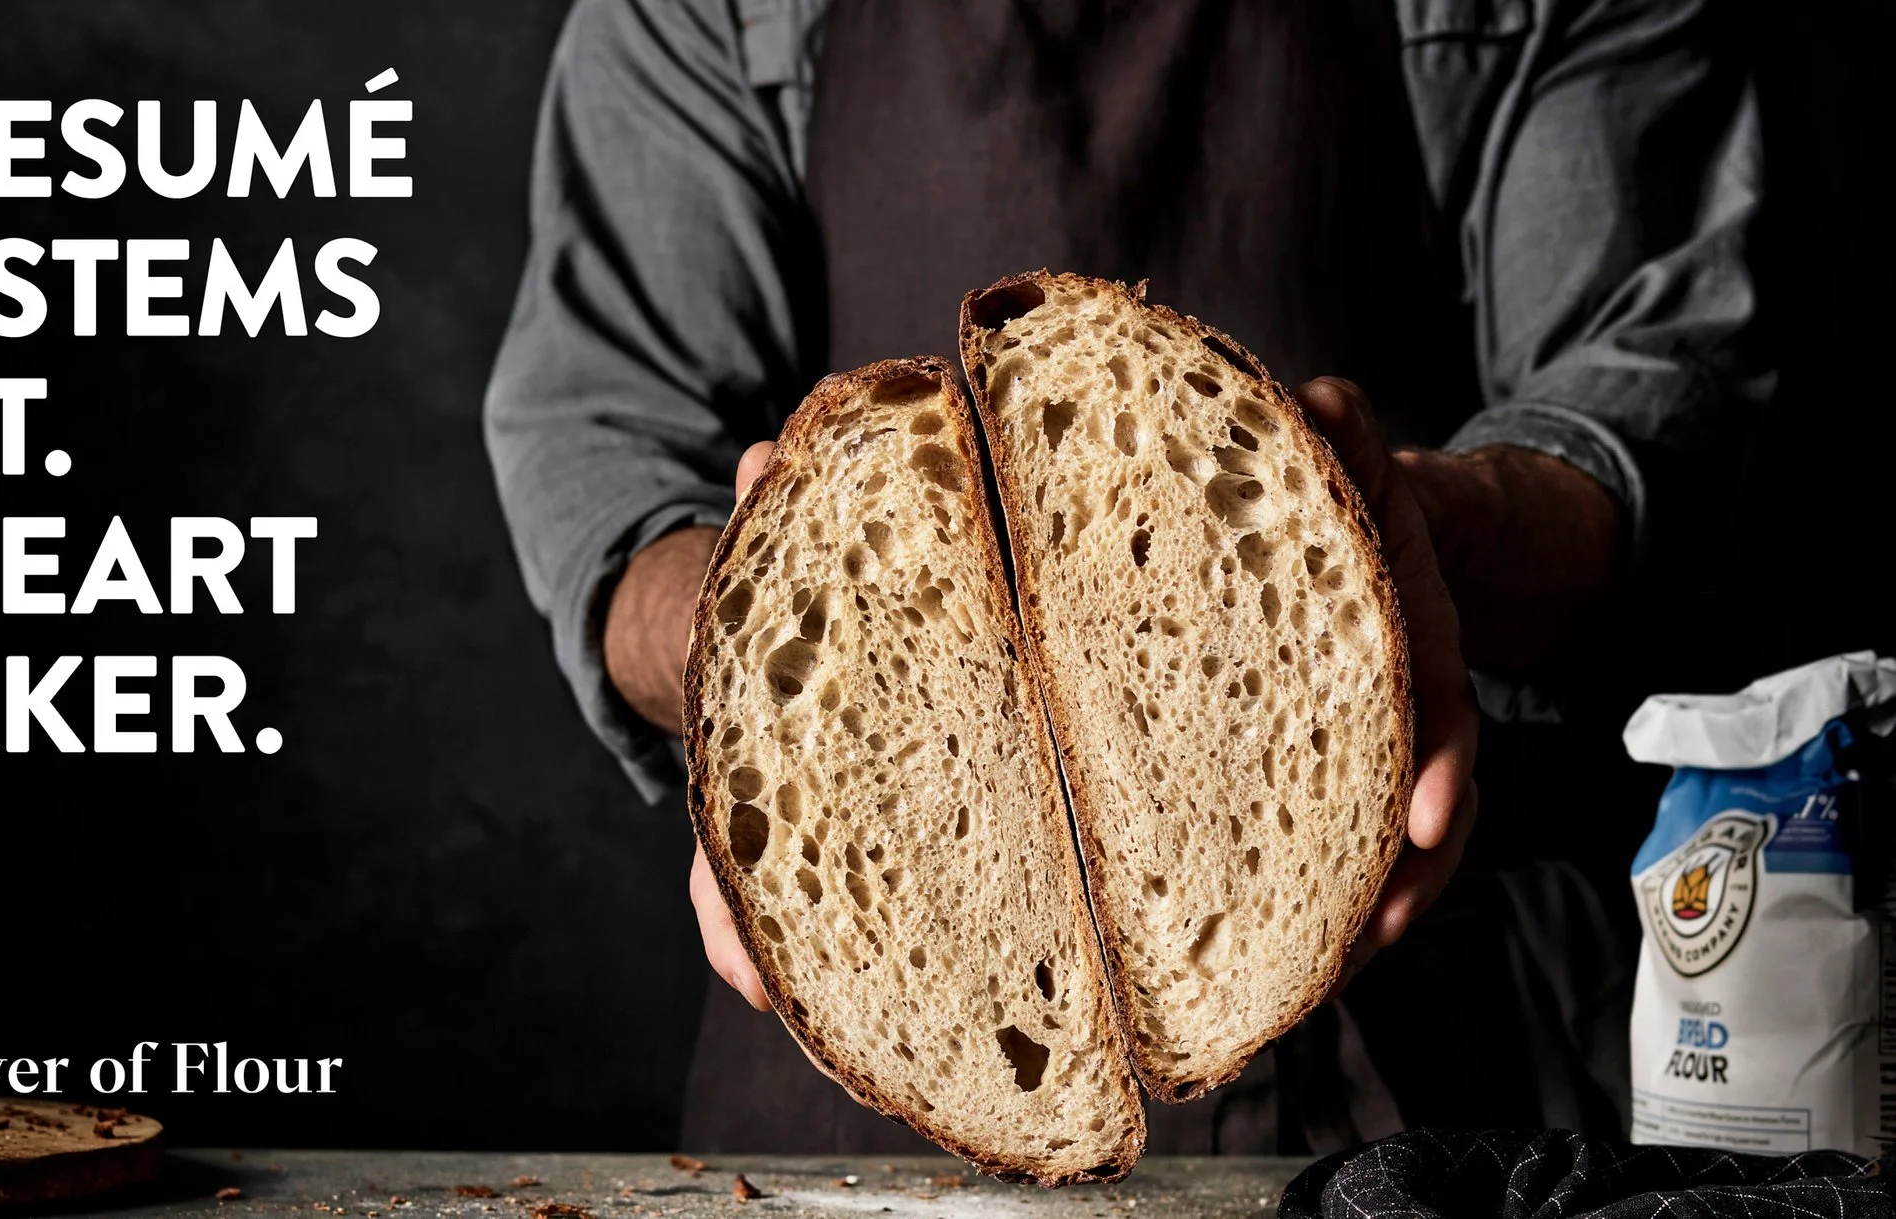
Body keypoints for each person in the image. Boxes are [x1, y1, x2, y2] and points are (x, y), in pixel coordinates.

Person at [484, 0, 1765, 1156]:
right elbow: (606, 469)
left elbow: (1662, 409)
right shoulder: (701, 13)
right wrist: (769, 657)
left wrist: (1398, 537)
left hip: (1446, 1060)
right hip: (888, 1072)